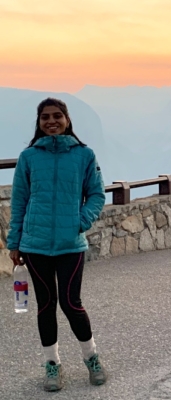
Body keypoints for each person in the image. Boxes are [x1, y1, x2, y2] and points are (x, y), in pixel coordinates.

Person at [7, 98, 107, 392]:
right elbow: (19, 202)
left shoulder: (84, 155)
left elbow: (97, 194)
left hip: (71, 245)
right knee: (45, 305)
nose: (52, 121)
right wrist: (15, 242)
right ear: (39, 122)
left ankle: (92, 359)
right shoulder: (29, 157)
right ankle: (52, 364)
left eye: (57, 116)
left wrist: (80, 222)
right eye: (45, 117)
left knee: (72, 303)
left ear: (67, 119)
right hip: (35, 246)